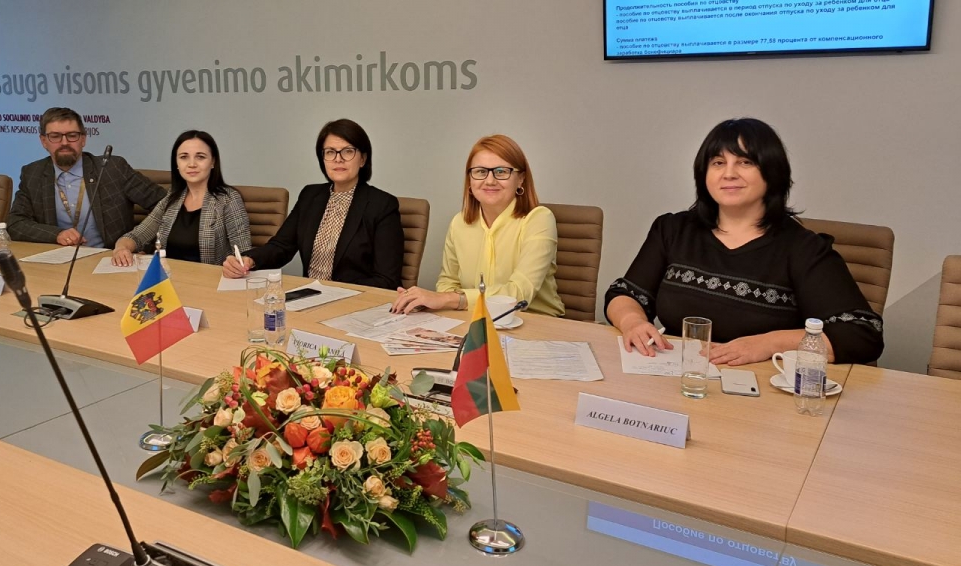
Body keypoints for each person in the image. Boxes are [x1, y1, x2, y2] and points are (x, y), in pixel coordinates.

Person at [604, 118, 883, 366]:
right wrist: (633, 322)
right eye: (718, 163)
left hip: (763, 390)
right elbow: (625, 294)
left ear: (772, 173)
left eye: (745, 162)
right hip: (681, 377)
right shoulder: (673, 229)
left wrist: (768, 343)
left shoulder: (803, 249)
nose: (729, 173)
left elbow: (862, 334)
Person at [391, 134, 563, 316]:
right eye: (480, 172)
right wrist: (430, 300)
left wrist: (449, 299)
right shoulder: (459, 223)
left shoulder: (539, 219)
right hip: (475, 319)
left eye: (501, 171)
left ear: (521, 179)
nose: (490, 181)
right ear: (470, 181)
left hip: (536, 322)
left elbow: (520, 293)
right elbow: (447, 283)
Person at [221, 119, 403, 289]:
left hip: (355, 301)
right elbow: (281, 247)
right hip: (310, 296)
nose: (338, 159)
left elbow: (387, 279)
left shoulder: (382, 205)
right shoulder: (310, 196)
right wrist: (248, 259)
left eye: (348, 151)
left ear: (362, 159)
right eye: (330, 152)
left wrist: (337, 293)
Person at [6, 107, 167, 247]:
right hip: (58, 261)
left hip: (111, 259)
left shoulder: (112, 168)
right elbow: (15, 223)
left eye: (72, 135)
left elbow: (167, 205)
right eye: (55, 136)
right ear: (43, 141)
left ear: (83, 139)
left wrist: (140, 245)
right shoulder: (33, 173)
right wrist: (55, 234)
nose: (64, 142)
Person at [111, 130, 250, 266]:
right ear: (176, 164)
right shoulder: (172, 198)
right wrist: (121, 248)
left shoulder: (228, 199)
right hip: (168, 277)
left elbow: (244, 253)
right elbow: (138, 235)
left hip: (209, 279)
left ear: (213, 162)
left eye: (200, 157)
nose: (192, 164)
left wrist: (238, 264)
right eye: (184, 157)